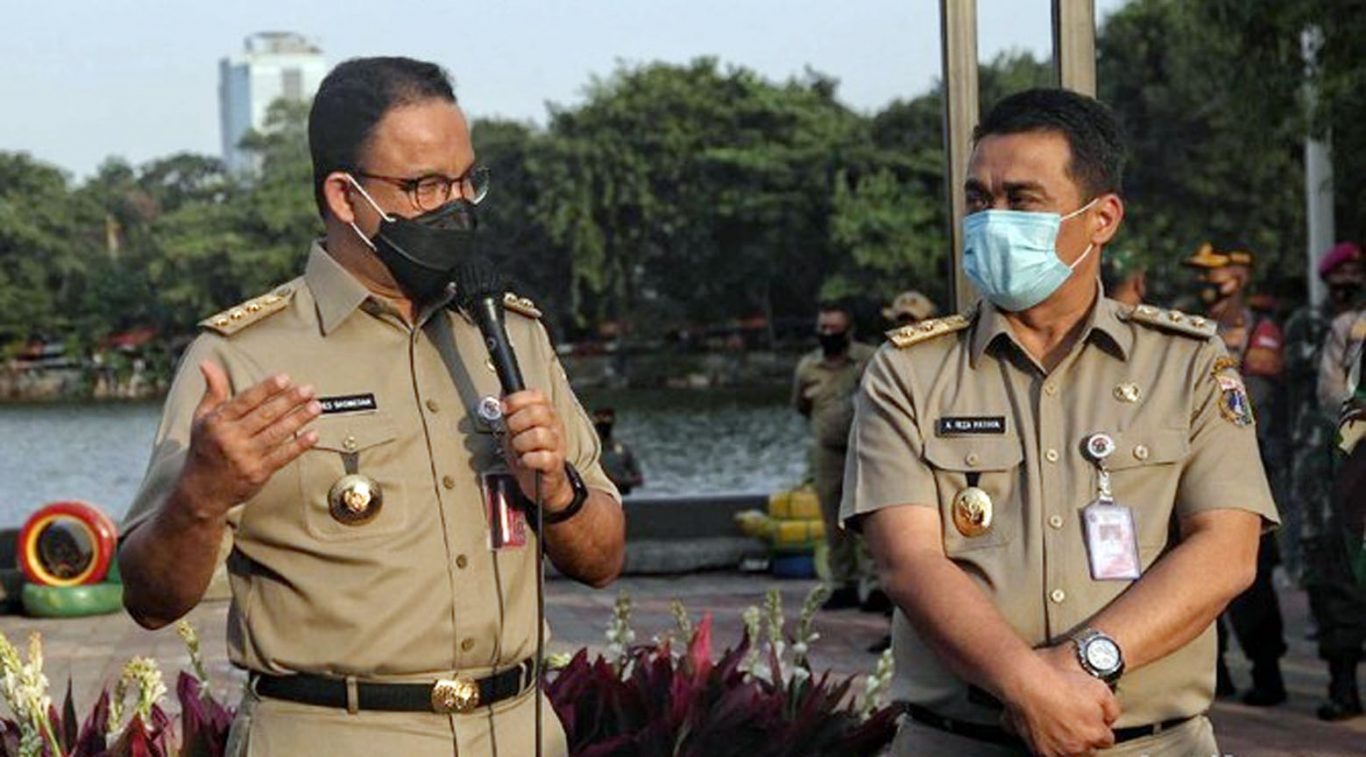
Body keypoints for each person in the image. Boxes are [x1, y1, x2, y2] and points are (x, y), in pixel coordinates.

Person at [116, 57, 625, 757]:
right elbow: (149, 599)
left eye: (465, 180)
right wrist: (200, 494)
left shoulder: (509, 334)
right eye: (423, 187)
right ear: (345, 196)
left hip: (517, 730)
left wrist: (559, 492)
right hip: (334, 734)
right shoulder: (242, 357)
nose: (455, 206)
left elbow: (603, 558)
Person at [842, 88, 1274, 756]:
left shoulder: (1186, 362)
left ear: (1101, 217)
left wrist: (1084, 662)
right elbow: (908, 560)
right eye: (978, 199)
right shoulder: (910, 370)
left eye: (1022, 199)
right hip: (960, 740)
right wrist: (1026, 685)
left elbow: (1227, 547)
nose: (992, 219)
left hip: (1148, 743)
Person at [1183, 243, 1290, 706]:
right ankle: (1215, 670)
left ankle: (1267, 672)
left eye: (1215, 272)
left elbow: (1256, 405)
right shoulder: (1184, 327)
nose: (1205, 281)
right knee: (1191, 572)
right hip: (1190, 468)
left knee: (1250, 579)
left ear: (1240, 275)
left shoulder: (1259, 330)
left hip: (1248, 467)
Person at [1284, 242, 1362, 586]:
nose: (1348, 279)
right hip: (1314, 435)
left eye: (1354, 273)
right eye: (1341, 273)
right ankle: (1319, 594)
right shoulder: (1308, 321)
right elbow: (1293, 366)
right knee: (1314, 517)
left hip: (1355, 440)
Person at [792, 301, 877, 610]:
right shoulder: (808, 367)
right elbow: (801, 406)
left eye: (834, 329)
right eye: (823, 328)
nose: (827, 334)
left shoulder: (867, 359)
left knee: (869, 517)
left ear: (848, 330)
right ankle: (843, 582)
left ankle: (875, 583)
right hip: (827, 452)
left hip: (866, 449)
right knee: (833, 518)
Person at [1311, 268, 1366, 721]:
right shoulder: (1351, 328)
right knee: (1345, 578)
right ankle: (1344, 686)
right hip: (1357, 466)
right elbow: (1330, 393)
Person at [592, 407, 643, 495]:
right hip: (595, 497)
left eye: (606, 420)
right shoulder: (588, 450)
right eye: (600, 420)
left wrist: (618, 481)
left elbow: (638, 479)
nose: (603, 426)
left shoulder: (623, 449)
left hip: (620, 496)